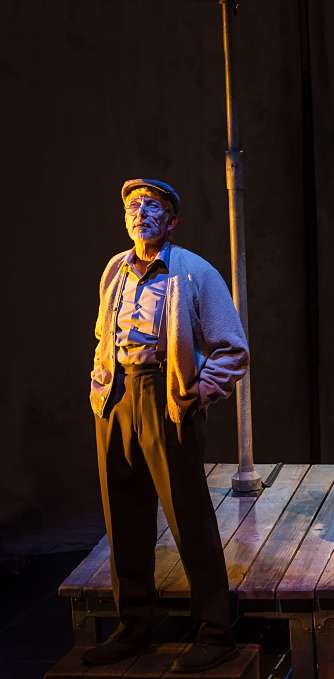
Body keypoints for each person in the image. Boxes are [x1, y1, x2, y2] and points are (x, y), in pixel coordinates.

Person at [84, 179, 249, 672]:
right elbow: (103, 333)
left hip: (165, 394)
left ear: (172, 221)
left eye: (151, 206)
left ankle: (215, 632)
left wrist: (199, 390)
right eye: (133, 206)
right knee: (123, 516)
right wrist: (101, 381)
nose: (140, 213)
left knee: (187, 514)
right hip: (117, 396)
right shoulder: (115, 268)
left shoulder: (193, 272)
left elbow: (233, 349)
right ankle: (134, 626)